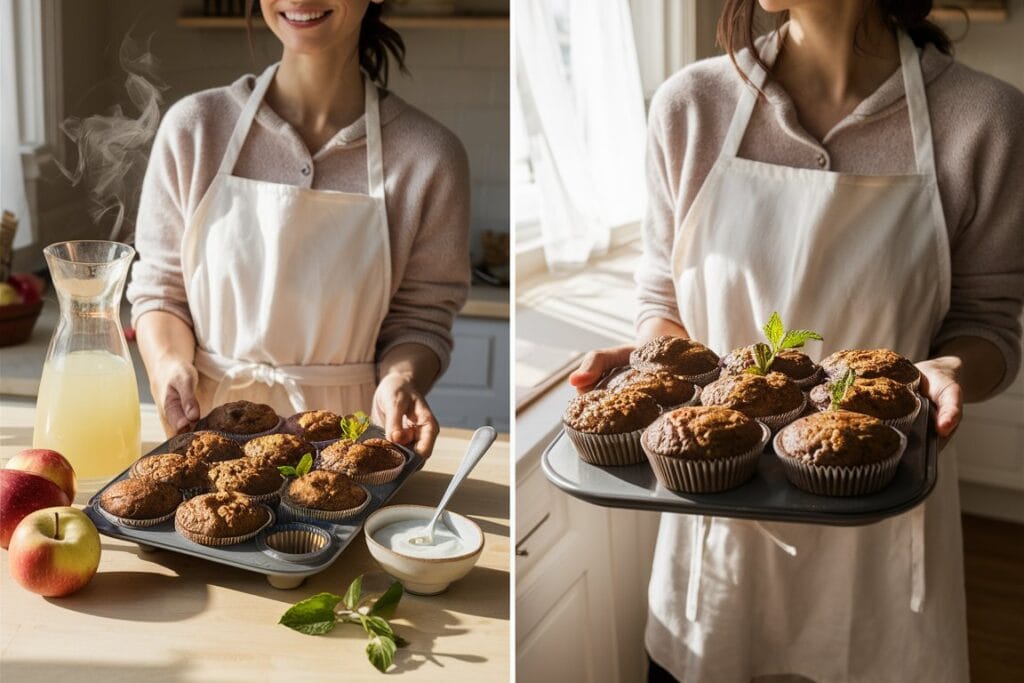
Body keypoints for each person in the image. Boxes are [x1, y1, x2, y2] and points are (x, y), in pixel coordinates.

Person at [570, 0, 1023, 680]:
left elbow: (989, 323)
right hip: (717, 545)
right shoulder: (690, 108)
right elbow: (663, 304)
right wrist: (651, 366)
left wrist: (949, 370)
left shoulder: (983, 120)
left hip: (883, 548)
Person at [128, 0, 470, 457]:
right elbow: (162, 292)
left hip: (349, 454)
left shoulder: (428, 158)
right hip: (205, 444)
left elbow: (420, 321)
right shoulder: (195, 130)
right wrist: (167, 365)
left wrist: (402, 379)